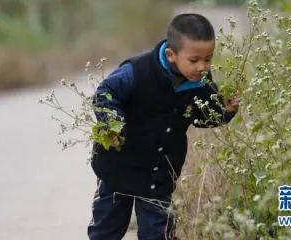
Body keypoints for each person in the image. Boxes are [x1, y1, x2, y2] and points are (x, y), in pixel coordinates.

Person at [87, 13, 240, 240]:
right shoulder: (136, 72)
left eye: (208, 59)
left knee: (158, 234)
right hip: (118, 168)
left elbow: (204, 116)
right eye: (194, 60)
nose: (202, 67)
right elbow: (105, 93)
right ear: (171, 55)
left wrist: (225, 111)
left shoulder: (201, 85)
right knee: (105, 231)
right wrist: (112, 125)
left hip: (158, 175)